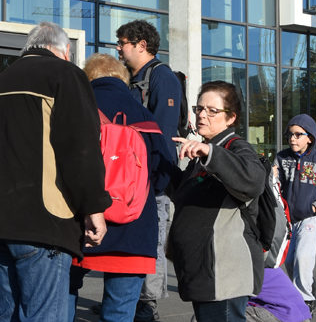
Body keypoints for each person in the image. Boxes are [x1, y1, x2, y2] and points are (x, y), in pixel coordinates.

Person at [0, 22, 112, 321]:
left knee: (9, 313)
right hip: (41, 223)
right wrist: (93, 207)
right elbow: (79, 148)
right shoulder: (65, 74)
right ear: (65, 51)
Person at [69, 54, 173, 322]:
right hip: (134, 227)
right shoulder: (145, 116)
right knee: (120, 309)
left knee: (64, 296)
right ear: (123, 80)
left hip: (81, 225)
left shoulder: (77, 109)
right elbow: (163, 176)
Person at [168, 81, 265, 322]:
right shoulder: (205, 150)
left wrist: (209, 153)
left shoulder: (235, 147)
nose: (202, 115)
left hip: (224, 274)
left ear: (231, 118)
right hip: (203, 270)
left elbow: (253, 180)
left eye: (212, 110)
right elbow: (184, 195)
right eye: (199, 108)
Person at [115, 20, 180, 321]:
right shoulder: (131, 78)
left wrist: (158, 181)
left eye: (123, 42)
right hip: (132, 178)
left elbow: (162, 134)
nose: (119, 48)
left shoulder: (161, 77)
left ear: (141, 44)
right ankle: (130, 301)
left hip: (152, 179)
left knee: (153, 240)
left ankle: (148, 305)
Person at [275, 114, 316, 315]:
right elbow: (274, 186)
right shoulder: (281, 158)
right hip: (286, 219)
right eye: (289, 135)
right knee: (290, 260)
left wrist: (314, 208)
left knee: (303, 258)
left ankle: (305, 300)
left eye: (297, 135)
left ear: (309, 137)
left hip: (309, 218)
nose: (292, 139)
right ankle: (307, 285)